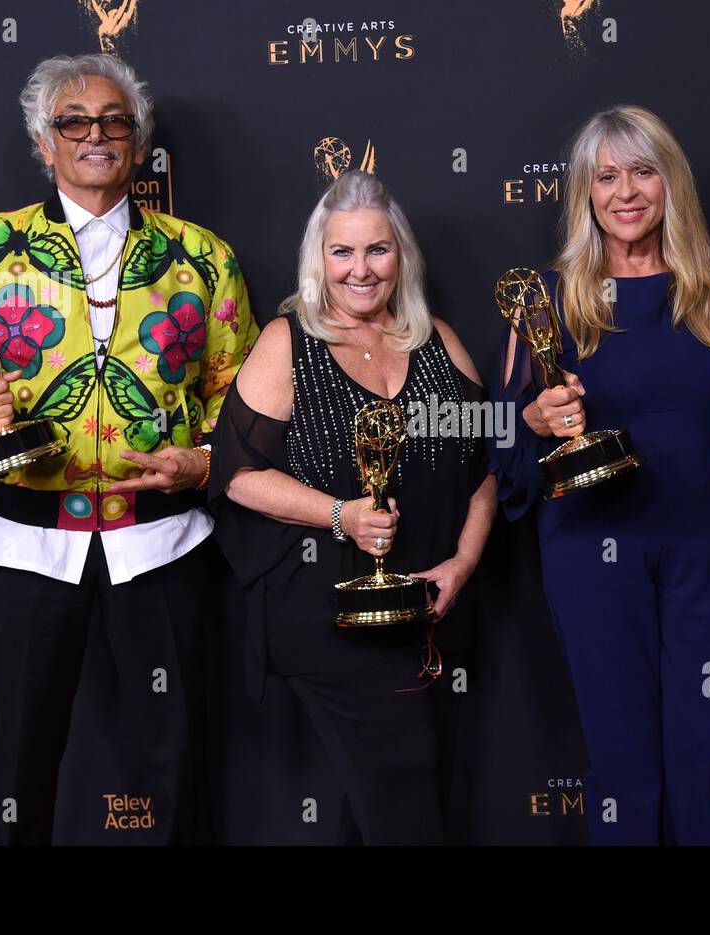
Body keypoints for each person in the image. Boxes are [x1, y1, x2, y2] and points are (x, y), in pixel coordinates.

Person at [0, 53, 256, 844]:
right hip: (25, 544)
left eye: (116, 121)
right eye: (75, 122)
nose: (98, 134)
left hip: (161, 541)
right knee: (22, 763)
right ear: (42, 142)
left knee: (179, 763)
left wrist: (210, 462)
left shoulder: (203, 257)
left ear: (139, 143)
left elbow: (245, 402)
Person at [209, 170, 496, 844]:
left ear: (402, 257)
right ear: (320, 259)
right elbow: (237, 475)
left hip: (426, 613)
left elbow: (488, 473)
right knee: (405, 799)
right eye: (342, 252)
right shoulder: (289, 343)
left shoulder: (438, 344)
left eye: (377, 250)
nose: (360, 270)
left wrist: (462, 562)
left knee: (385, 802)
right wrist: (342, 515)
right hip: (328, 612)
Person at [489, 105, 710, 845]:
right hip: (593, 550)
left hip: (705, 549)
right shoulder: (546, 296)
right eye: (606, 176)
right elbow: (502, 444)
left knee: (708, 751)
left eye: (643, 172)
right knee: (624, 756)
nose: (625, 192)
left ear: (671, 184)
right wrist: (534, 424)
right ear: (585, 192)